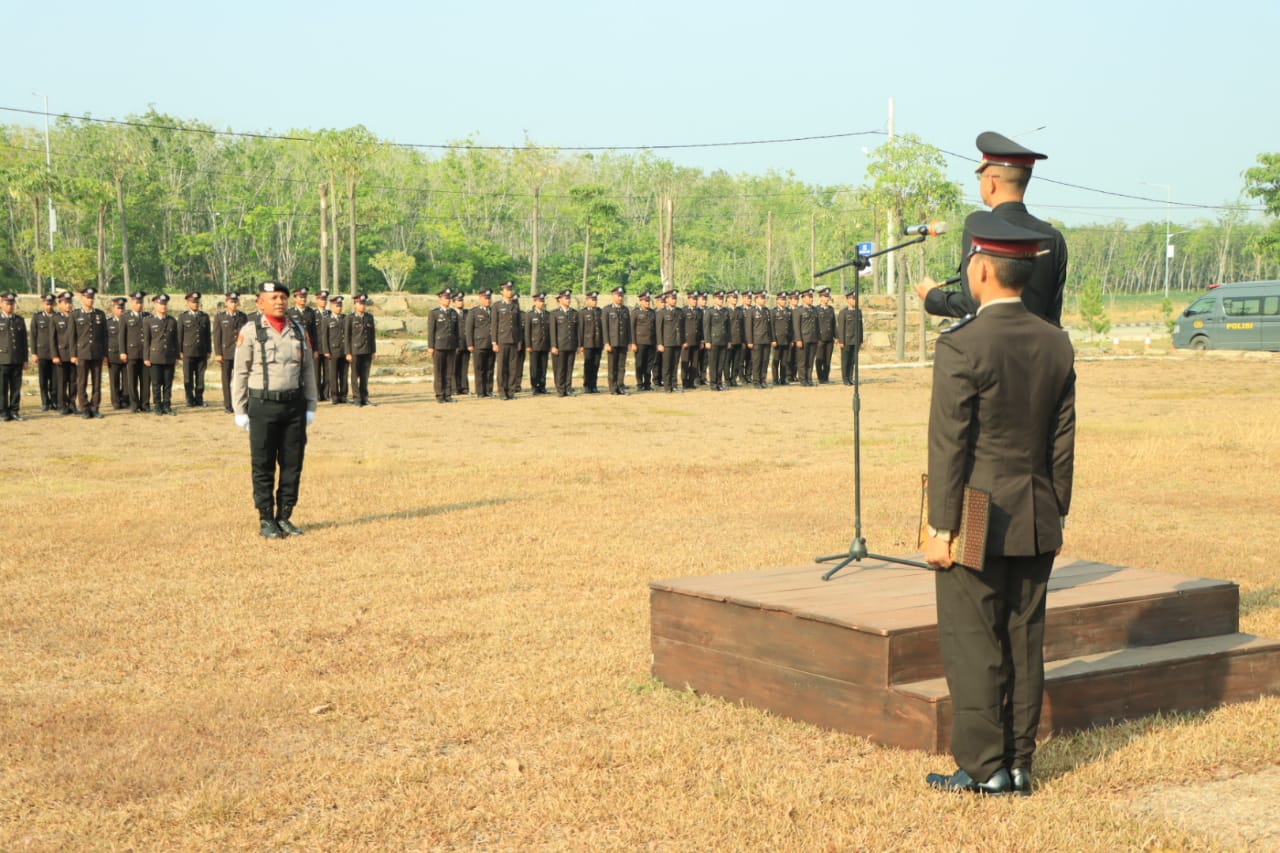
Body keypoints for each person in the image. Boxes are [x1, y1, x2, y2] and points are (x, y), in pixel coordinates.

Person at [923, 211, 1076, 797]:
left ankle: (984, 768)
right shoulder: (1055, 342)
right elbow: (1062, 440)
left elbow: (949, 445)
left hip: (976, 510)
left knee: (972, 637)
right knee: (1023, 637)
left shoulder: (962, 344)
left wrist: (942, 526)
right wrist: (1054, 509)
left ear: (981, 269)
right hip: (1037, 508)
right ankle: (1017, 762)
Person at [914, 131, 1068, 327]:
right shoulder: (1054, 238)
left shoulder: (980, 230)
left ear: (992, 182)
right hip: (1042, 350)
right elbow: (1053, 313)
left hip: (992, 349)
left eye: (981, 178)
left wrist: (934, 298)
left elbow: (975, 304)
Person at [231, 280, 318, 539]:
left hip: (293, 405)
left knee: (292, 463)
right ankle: (266, 518)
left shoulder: (299, 331)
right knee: (263, 463)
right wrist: (240, 410)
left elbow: (308, 371)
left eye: (283, 297)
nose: (279, 301)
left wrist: (311, 405)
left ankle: (285, 516)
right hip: (262, 404)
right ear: (260, 302)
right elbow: (240, 372)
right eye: (273, 297)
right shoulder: (250, 331)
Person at [70, 287, 109, 419]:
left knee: (97, 382)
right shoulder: (75, 315)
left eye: (92, 297)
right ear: (82, 298)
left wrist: (105, 354)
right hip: (82, 353)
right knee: (82, 382)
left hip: (97, 353)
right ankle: (84, 408)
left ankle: (95, 407)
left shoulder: (100, 314)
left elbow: (104, 336)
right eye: (87, 297)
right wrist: (73, 354)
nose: (90, 300)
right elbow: (72, 337)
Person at [143, 294, 180, 416]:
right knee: (156, 383)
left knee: (168, 383)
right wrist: (146, 357)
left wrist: (176, 356)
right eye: (160, 304)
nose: (163, 306)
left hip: (169, 356)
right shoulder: (149, 321)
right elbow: (147, 340)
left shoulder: (172, 321)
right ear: (155, 305)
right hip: (155, 356)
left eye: (165, 304)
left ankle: (167, 405)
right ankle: (157, 406)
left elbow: (175, 340)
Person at [176, 291, 212, 407]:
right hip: (187, 352)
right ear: (188, 303)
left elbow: (207, 335)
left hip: (201, 351)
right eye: (193, 302)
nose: (195, 304)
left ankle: (199, 398)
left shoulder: (204, 317)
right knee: (188, 377)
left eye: (197, 302)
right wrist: (179, 351)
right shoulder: (183, 317)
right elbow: (179, 335)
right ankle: (189, 399)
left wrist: (209, 350)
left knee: (200, 377)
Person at [215, 292, 248, 413]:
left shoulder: (243, 317)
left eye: (235, 302)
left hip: (240, 352)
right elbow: (217, 336)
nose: (234, 304)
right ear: (226, 303)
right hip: (226, 352)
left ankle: (239, 403)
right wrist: (218, 353)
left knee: (240, 379)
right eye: (231, 302)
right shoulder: (220, 317)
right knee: (226, 379)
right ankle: (228, 404)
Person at [427, 288, 459, 404]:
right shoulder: (434, 313)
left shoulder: (453, 313)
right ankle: (440, 395)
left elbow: (456, 331)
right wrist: (431, 346)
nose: (448, 300)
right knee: (439, 371)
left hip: (451, 346)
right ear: (440, 299)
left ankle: (448, 394)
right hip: (439, 346)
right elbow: (431, 331)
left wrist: (457, 345)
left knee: (449, 372)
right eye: (445, 298)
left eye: (449, 298)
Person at [121, 291, 151, 413]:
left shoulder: (148, 316)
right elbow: (122, 336)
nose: (139, 305)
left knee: (146, 380)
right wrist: (123, 351)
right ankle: (134, 404)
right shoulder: (125, 317)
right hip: (132, 353)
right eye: (137, 302)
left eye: (141, 302)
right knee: (132, 381)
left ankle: (145, 404)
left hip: (145, 353)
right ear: (132, 303)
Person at [493, 281, 522, 400]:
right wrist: (494, 342)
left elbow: (518, 325)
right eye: (507, 290)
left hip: (514, 340)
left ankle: (511, 391)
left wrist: (519, 340)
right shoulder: (497, 306)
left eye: (511, 289)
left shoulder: (515, 306)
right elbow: (494, 325)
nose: (509, 292)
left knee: (513, 368)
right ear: (502, 292)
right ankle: (502, 391)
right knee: (502, 368)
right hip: (502, 340)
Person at [0, 292, 28, 421]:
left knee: (16, 387)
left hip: (17, 359)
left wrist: (25, 359)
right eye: (7, 303)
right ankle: (3, 411)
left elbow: (23, 341)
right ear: (1, 304)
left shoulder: (19, 320)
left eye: (12, 303)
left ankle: (14, 410)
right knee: (2, 387)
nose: (10, 306)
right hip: (2, 359)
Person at [346, 294, 377, 406]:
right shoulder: (350, 318)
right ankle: (356, 398)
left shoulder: (369, 317)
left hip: (367, 350)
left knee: (365, 376)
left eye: (364, 304)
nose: (362, 306)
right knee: (355, 376)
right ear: (355, 305)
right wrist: (348, 352)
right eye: (360, 304)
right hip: (355, 351)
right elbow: (347, 336)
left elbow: (372, 336)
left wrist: (373, 351)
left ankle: (364, 397)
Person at [465, 288, 495, 398]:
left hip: (491, 344)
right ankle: (480, 391)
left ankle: (489, 390)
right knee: (479, 369)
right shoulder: (474, 312)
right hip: (479, 344)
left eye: (489, 298)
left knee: (490, 369)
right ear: (480, 299)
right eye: (485, 298)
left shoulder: (493, 311)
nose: (488, 300)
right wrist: (470, 344)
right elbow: (469, 329)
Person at [29, 294, 57, 411]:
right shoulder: (37, 317)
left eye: (51, 304)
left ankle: (55, 401)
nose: (49, 306)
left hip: (55, 353)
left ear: (54, 304)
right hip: (42, 352)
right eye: (47, 304)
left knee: (55, 380)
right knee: (43, 380)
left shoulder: (57, 316)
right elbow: (33, 335)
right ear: (43, 304)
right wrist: (34, 352)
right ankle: (45, 402)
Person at [602, 286, 630, 395]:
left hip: (623, 342)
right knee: (612, 366)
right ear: (613, 296)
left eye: (622, 296)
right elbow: (605, 328)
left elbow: (628, 328)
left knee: (621, 366)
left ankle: (620, 386)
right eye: (618, 296)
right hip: (612, 342)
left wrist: (629, 342)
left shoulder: (625, 309)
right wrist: (606, 342)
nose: (620, 298)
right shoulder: (607, 310)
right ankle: (613, 387)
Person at [655, 291, 684, 393]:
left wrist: (683, 341)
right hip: (667, 342)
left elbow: (682, 328)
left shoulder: (679, 312)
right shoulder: (662, 312)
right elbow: (659, 329)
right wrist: (659, 343)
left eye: (675, 298)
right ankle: (667, 386)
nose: (674, 300)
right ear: (666, 299)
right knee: (667, 365)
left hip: (677, 342)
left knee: (675, 365)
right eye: (672, 298)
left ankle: (674, 385)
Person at [702, 290, 732, 391]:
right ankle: (713, 383)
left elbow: (728, 328)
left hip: (723, 341)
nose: (721, 300)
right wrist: (707, 341)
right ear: (714, 299)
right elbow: (706, 328)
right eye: (719, 298)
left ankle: (719, 383)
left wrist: (729, 341)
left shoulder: (725, 311)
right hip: (713, 341)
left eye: (722, 298)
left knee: (721, 364)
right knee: (713, 363)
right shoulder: (710, 311)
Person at [523, 292, 551, 395]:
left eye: (543, 301)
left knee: (543, 366)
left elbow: (549, 331)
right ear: (535, 302)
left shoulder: (547, 314)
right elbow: (527, 331)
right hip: (534, 345)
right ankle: (534, 386)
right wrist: (528, 345)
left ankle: (542, 386)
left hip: (545, 344)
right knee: (534, 366)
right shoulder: (530, 315)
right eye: (539, 301)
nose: (541, 303)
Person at [324, 296, 349, 404]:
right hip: (333, 351)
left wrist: (349, 351)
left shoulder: (345, 318)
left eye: (340, 306)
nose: (339, 308)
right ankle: (334, 396)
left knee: (344, 374)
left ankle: (343, 395)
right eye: (336, 306)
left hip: (344, 350)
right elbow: (324, 337)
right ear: (331, 306)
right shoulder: (327, 320)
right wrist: (326, 350)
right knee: (333, 374)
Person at [629, 292, 656, 391]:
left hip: (651, 342)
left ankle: (647, 384)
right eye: (645, 301)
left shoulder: (653, 312)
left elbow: (655, 328)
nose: (648, 303)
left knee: (649, 365)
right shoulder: (635, 312)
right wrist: (633, 342)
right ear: (640, 301)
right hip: (640, 342)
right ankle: (639, 384)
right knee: (640, 364)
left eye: (649, 301)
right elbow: (632, 328)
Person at [792, 289, 819, 386]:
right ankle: (803, 379)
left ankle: (809, 378)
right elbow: (796, 326)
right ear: (803, 298)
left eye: (812, 297)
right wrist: (798, 339)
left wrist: (818, 338)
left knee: (810, 360)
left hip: (813, 338)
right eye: (809, 297)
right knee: (802, 360)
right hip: (803, 339)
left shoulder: (814, 310)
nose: (811, 299)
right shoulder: (798, 310)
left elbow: (817, 325)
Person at [579, 290, 604, 394]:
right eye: (592, 300)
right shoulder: (583, 313)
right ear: (587, 300)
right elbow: (580, 329)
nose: (595, 302)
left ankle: (594, 385)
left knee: (596, 364)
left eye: (595, 300)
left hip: (598, 343)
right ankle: (587, 385)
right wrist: (580, 344)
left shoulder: (600, 311)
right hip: (587, 343)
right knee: (588, 364)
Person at [747, 291, 774, 388]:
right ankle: (756, 381)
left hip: (766, 339)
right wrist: (750, 341)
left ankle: (763, 380)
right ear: (756, 299)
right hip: (756, 340)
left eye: (764, 298)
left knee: (765, 361)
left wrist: (772, 339)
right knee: (757, 361)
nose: (764, 300)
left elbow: (770, 327)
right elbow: (749, 327)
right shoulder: (751, 311)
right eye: (761, 298)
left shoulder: (766, 311)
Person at [105, 298, 128, 409]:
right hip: (113, 355)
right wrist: (104, 356)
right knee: (114, 380)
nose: (121, 310)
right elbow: (104, 340)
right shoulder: (108, 323)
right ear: (113, 309)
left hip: (127, 355)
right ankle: (115, 401)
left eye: (122, 308)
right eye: (118, 308)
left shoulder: (129, 321)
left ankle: (125, 400)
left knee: (127, 380)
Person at [837, 291, 863, 386]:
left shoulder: (858, 311)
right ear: (848, 300)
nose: (855, 301)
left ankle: (851, 378)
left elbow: (860, 327)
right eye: (853, 299)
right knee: (846, 361)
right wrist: (841, 341)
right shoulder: (843, 312)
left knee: (853, 361)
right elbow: (841, 328)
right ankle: (845, 378)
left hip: (855, 340)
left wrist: (860, 339)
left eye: (856, 299)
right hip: (846, 340)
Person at [815, 287, 836, 383]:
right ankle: (820, 377)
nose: (827, 299)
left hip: (829, 338)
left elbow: (833, 324)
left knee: (827, 359)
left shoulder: (831, 309)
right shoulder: (816, 309)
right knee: (819, 359)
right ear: (820, 298)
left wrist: (836, 336)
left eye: (828, 297)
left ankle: (826, 377)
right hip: (820, 338)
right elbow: (815, 325)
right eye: (825, 297)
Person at [770, 292, 792, 386]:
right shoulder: (773, 312)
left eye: (785, 299)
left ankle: (783, 378)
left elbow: (790, 327)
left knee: (784, 360)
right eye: (782, 299)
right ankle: (775, 379)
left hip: (786, 339)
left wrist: (791, 339)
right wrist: (773, 339)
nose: (784, 301)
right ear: (777, 300)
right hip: (777, 340)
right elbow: (771, 326)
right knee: (776, 360)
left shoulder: (787, 311)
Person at [450, 291, 470, 397]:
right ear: (453, 302)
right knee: (454, 367)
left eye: (461, 300)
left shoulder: (467, 313)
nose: (460, 303)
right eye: (458, 301)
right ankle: (454, 388)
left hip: (466, 343)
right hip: (455, 344)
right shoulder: (451, 313)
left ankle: (464, 387)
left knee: (464, 367)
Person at [313, 290, 331, 401]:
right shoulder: (312, 314)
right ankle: (317, 394)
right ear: (317, 300)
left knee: (328, 373)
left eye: (325, 299)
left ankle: (326, 394)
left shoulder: (329, 314)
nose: (323, 301)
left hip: (328, 348)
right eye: (321, 299)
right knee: (316, 373)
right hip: (316, 347)